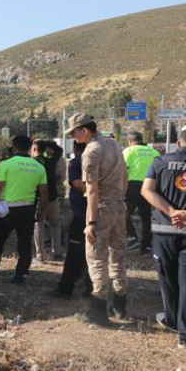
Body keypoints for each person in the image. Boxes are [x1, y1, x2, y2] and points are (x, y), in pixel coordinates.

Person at [66, 113, 128, 324]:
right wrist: (120, 198)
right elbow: (125, 176)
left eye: (74, 132)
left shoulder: (91, 151)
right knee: (117, 255)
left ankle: (98, 311)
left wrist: (90, 223)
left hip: (101, 207)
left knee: (96, 258)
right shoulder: (114, 144)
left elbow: (92, 190)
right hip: (119, 205)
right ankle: (120, 306)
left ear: (84, 130)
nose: (73, 137)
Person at [141, 128, 186, 348]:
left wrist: (172, 212)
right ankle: (184, 335)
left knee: (168, 279)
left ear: (178, 142)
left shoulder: (160, 161)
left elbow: (147, 191)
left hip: (164, 230)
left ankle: (172, 320)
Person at [0, 135, 48, 284]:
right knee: (25, 242)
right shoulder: (38, 166)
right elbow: (44, 193)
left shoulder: (7, 164)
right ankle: (21, 275)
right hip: (28, 209)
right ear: (29, 147)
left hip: (7, 209)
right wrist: (41, 212)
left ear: (14, 147)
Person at [49, 141, 93, 298]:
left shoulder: (77, 162)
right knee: (94, 254)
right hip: (99, 215)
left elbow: (80, 186)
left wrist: (95, 196)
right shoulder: (101, 160)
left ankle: (65, 288)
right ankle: (90, 288)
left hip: (82, 215)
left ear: (75, 148)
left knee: (75, 253)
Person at [124, 131, 160, 253]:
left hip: (132, 187)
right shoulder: (154, 152)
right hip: (150, 187)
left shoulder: (129, 151)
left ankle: (132, 238)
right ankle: (147, 246)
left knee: (123, 213)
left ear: (130, 141)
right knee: (147, 218)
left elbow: (124, 170)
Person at [32, 139, 63, 261]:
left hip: (39, 198)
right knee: (55, 224)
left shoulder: (32, 163)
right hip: (52, 197)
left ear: (34, 149)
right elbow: (60, 150)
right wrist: (47, 144)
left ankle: (41, 255)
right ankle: (58, 252)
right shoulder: (51, 161)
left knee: (38, 224)